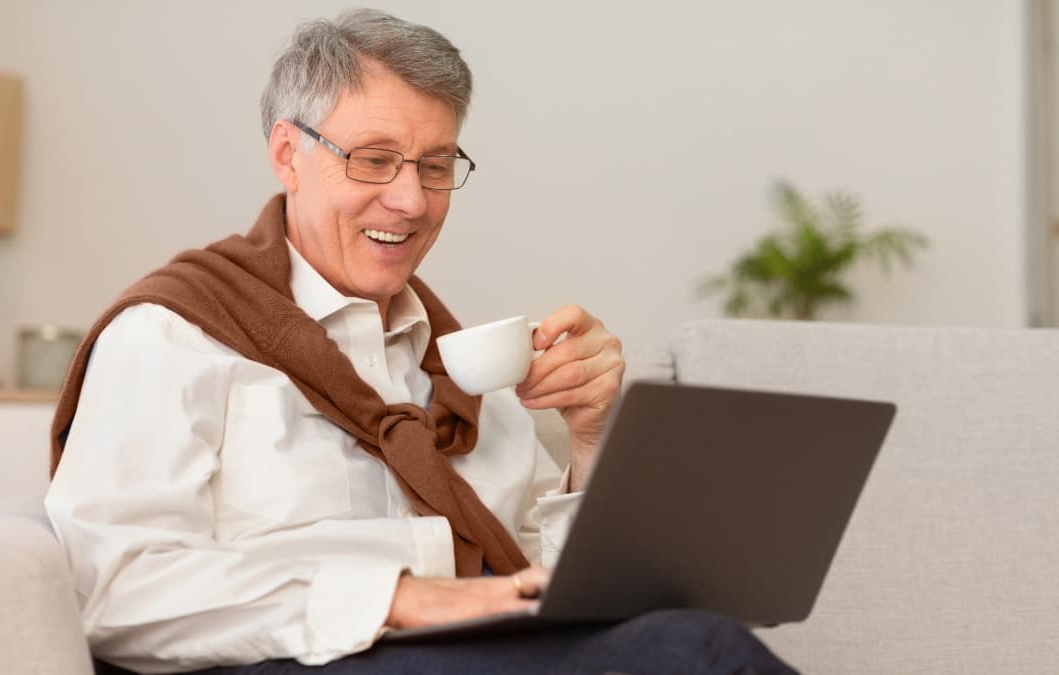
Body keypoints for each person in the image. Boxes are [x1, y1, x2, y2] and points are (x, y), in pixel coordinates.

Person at [45, 9, 797, 675]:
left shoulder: (461, 364)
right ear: (287, 154)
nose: (409, 200)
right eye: (373, 158)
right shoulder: (174, 335)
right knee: (697, 653)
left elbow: (549, 590)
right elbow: (112, 587)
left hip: (474, 656)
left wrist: (593, 441)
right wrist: (397, 599)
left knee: (688, 636)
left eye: (436, 166)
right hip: (283, 658)